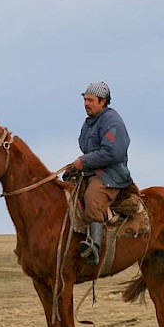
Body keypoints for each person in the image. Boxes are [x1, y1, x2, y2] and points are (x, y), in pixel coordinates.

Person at [69, 81, 133, 266]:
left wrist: (84, 161)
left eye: (90, 100)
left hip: (110, 174)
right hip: (92, 170)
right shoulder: (90, 122)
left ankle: (94, 247)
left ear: (103, 101)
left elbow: (113, 152)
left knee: (92, 198)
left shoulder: (112, 121)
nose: (86, 104)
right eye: (85, 99)